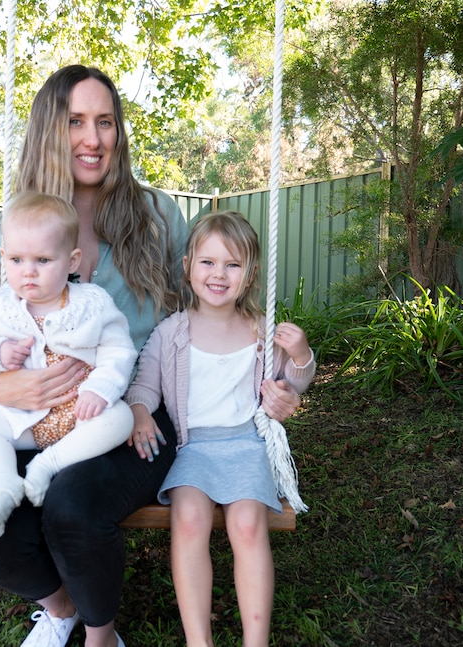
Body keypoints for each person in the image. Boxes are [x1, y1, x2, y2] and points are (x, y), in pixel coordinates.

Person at [0, 65, 303, 647]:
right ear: (49, 130)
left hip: (137, 413)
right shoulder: (14, 227)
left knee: (72, 503)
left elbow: (209, 310)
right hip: (36, 415)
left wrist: (274, 376)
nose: (94, 139)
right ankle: (61, 607)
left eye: (105, 122)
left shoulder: (156, 216)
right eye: (75, 122)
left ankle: (100, 635)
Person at [125, 211, 316, 647]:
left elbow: (295, 382)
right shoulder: (170, 332)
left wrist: (301, 352)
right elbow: (145, 387)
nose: (219, 274)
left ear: (249, 276)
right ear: (189, 265)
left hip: (246, 446)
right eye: (208, 262)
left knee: (248, 524)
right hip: (193, 450)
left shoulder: (261, 331)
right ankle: (199, 641)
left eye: (233, 265)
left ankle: (256, 640)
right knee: (188, 519)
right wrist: (138, 412)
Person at [0, 191, 137, 542]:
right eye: (16, 260)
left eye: (42, 260)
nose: (28, 272)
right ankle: (3, 487)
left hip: (80, 412)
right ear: (3, 259)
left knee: (121, 418)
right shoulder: (0, 307)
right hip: (24, 418)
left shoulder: (93, 303)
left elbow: (119, 351)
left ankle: (48, 464)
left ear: (72, 261)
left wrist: (100, 389)